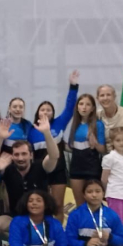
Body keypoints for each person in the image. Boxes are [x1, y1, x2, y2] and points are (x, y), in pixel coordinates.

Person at [28, 70, 79, 221]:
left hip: (58, 170)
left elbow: (70, 107)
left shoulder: (59, 123)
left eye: (49, 110)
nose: (46, 112)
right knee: (41, 207)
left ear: (53, 112)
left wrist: (73, 86)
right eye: (42, 109)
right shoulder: (31, 130)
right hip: (39, 171)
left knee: (57, 206)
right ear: (38, 113)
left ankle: (58, 235)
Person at [0, 117, 59, 219]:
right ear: (12, 156)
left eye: (24, 154)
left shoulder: (41, 166)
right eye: (16, 154)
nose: (20, 158)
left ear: (31, 155)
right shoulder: (8, 170)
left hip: (41, 217)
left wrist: (47, 133)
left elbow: (54, 156)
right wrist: (0, 138)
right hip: (17, 217)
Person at [67, 94, 105, 206]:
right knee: (80, 205)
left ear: (92, 108)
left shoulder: (98, 124)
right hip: (76, 168)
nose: (84, 107)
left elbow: (102, 149)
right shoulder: (74, 124)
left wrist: (94, 143)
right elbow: (70, 146)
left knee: (94, 203)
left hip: (92, 168)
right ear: (77, 107)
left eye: (88, 104)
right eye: (81, 104)